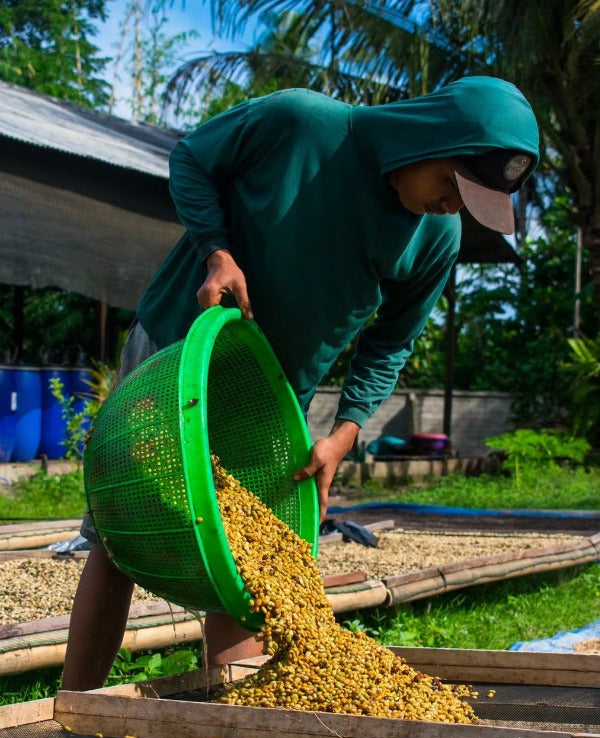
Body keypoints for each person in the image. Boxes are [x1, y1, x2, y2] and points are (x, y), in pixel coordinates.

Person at [62, 76, 539, 690]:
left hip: (270, 393)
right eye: (451, 185)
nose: (453, 206)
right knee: (118, 535)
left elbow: (391, 340)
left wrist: (345, 433)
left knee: (249, 560)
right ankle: (72, 712)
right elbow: (192, 159)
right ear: (424, 138)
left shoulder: (435, 237)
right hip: (178, 349)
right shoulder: (300, 123)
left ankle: (231, 730)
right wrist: (216, 250)